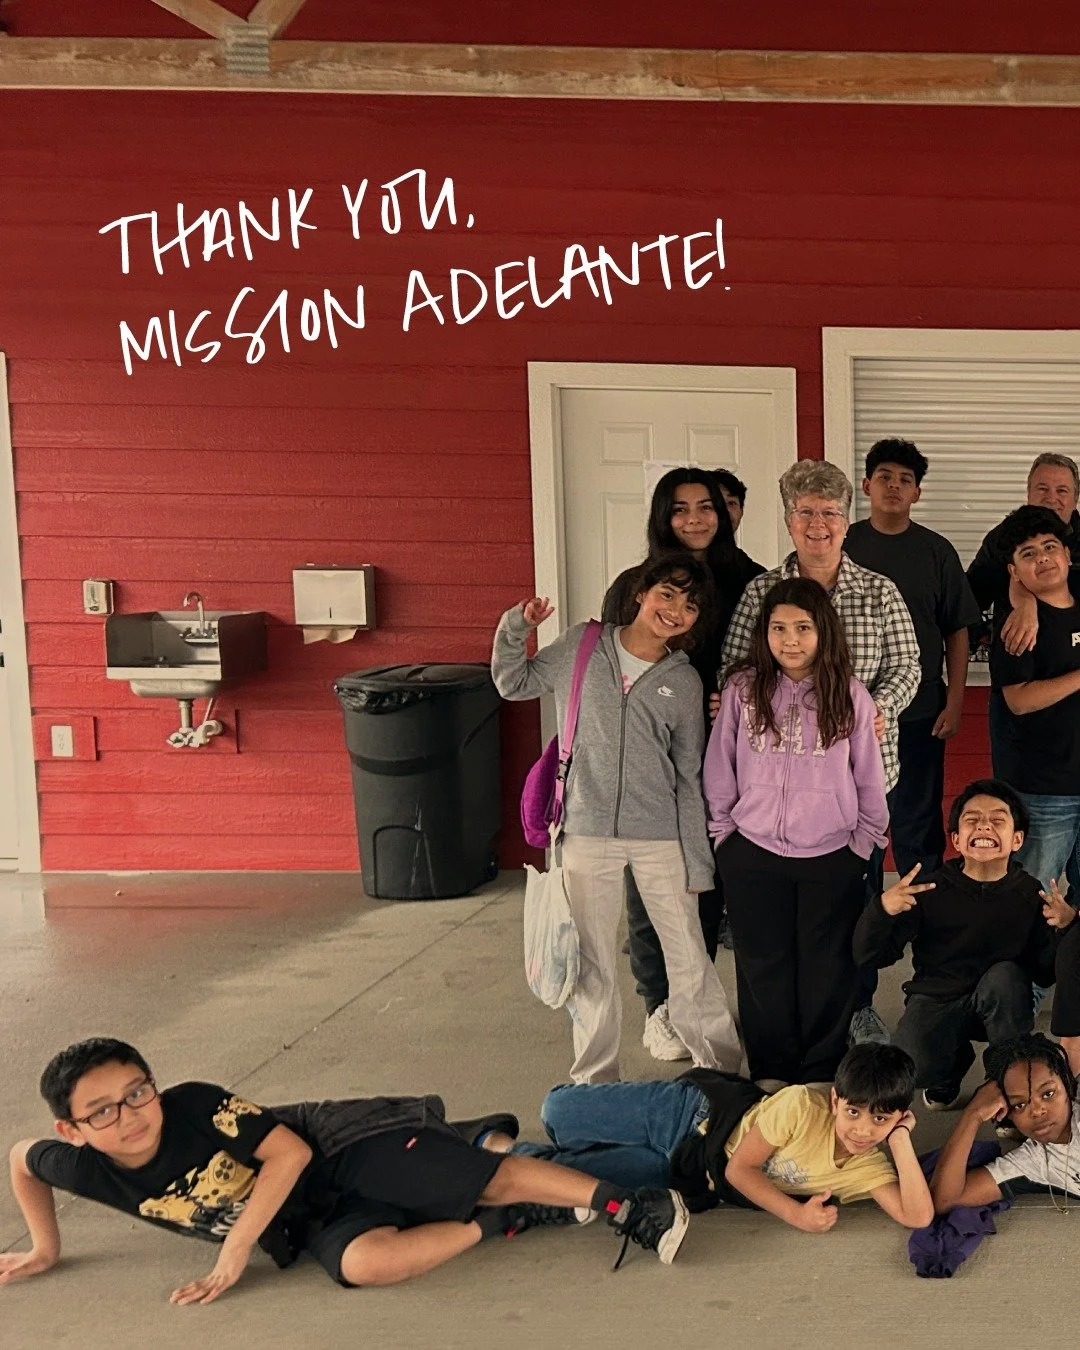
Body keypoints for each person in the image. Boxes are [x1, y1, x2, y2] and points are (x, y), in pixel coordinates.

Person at [0, 1038, 691, 1300]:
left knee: (484, 1172)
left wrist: (232, 1255)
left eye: (137, 1092)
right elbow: (21, 1159)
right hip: (312, 1218)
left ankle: (629, 1204)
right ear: (73, 1130)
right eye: (103, 1113)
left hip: (339, 1149)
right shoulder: (80, 1164)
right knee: (364, 1266)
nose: (129, 1115)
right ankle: (509, 1212)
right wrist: (43, 1248)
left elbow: (289, 1153)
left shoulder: (194, 1106)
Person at [492, 554, 741, 1084]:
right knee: (591, 964)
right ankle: (594, 1080)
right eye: (667, 595)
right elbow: (513, 683)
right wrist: (518, 628)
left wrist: (699, 862)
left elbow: (688, 778)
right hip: (585, 831)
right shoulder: (583, 646)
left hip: (662, 840)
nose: (675, 610)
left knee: (690, 958)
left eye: (690, 605)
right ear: (640, 594)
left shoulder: (685, 682)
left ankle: (720, 1071)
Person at [601, 468, 762, 1062]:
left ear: (723, 513)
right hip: (654, 759)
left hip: (736, 753)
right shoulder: (633, 583)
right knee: (652, 884)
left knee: (715, 883)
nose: (694, 519)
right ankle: (659, 1005)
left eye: (706, 507)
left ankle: (708, 998)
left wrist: (738, 692)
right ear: (661, 516)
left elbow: (772, 654)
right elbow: (613, 666)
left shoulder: (751, 578)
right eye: (679, 508)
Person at [705, 577, 889, 1090]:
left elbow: (869, 775)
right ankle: (770, 1071)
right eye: (779, 628)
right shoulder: (744, 689)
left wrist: (864, 842)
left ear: (823, 633)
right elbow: (720, 765)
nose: (790, 640)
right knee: (762, 964)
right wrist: (724, 834)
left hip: (832, 852)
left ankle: (819, 1072)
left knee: (827, 966)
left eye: (803, 628)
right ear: (764, 633)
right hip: (753, 849)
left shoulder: (849, 695)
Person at [843, 439, 982, 1047]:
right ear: (867, 485)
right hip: (844, 728)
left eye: (905, 479)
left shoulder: (935, 551)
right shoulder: (840, 544)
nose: (894, 486)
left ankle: (930, 964)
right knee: (859, 844)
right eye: (883, 476)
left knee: (919, 833)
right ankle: (863, 973)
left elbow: (959, 627)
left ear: (917, 491)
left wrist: (954, 698)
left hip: (920, 715)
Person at [498, 1044, 933, 1232]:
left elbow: (916, 1216)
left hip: (691, 1173)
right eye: (853, 1112)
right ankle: (546, 1132)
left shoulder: (868, 1166)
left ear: (899, 1118)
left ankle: (506, 1151)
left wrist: (899, 1144)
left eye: (881, 1120)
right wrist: (795, 1215)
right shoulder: (802, 1104)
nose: (862, 1130)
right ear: (836, 1099)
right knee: (556, 1113)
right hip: (691, 1114)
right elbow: (740, 1170)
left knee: (558, 1175)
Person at [852, 780, 1072, 1112]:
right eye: (972, 819)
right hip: (937, 997)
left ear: (1017, 839)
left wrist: (1063, 929)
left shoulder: (1030, 894)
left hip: (1003, 1004)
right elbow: (869, 955)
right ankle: (949, 1072)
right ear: (956, 839)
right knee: (912, 1067)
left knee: (1006, 977)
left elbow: (1043, 973)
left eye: (998, 819)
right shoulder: (931, 888)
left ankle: (1006, 1089)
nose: (984, 825)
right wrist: (883, 909)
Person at [966, 452, 1080, 777]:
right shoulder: (1002, 539)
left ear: (1075, 498)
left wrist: (1026, 595)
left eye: (1062, 490)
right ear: (1028, 493)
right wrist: (980, 642)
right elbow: (971, 597)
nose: (1052, 498)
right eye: (1042, 488)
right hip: (1020, 686)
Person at [989, 506, 1080, 897]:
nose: (1042, 558)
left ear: (1067, 554)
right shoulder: (1018, 625)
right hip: (1045, 789)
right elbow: (1020, 700)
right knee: (1035, 895)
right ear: (1014, 572)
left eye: (1049, 547)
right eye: (1028, 554)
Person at [929, 1034, 1080, 1212]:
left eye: (1048, 1094)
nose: (1037, 1111)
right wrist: (972, 1115)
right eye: (1019, 1105)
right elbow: (945, 1199)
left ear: (1068, 1085)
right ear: (1007, 1114)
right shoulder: (1034, 1161)